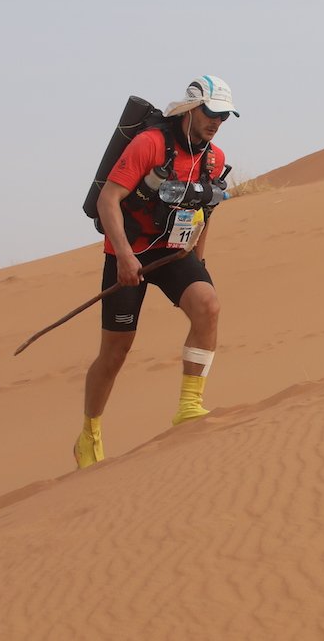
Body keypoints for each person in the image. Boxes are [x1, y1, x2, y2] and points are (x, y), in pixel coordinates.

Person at [74, 75, 239, 469]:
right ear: (191, 109)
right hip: (128, 253)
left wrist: (200, 256)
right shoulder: (150, 144)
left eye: (223, 116)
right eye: (210, 113)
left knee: (208, 306)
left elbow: (206, 209)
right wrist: (126, 258)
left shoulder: (213, 157)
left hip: (172, 251)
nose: (216, 121)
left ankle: (189, 406)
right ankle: (89, 434)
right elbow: (108, 201)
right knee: (115, 353)